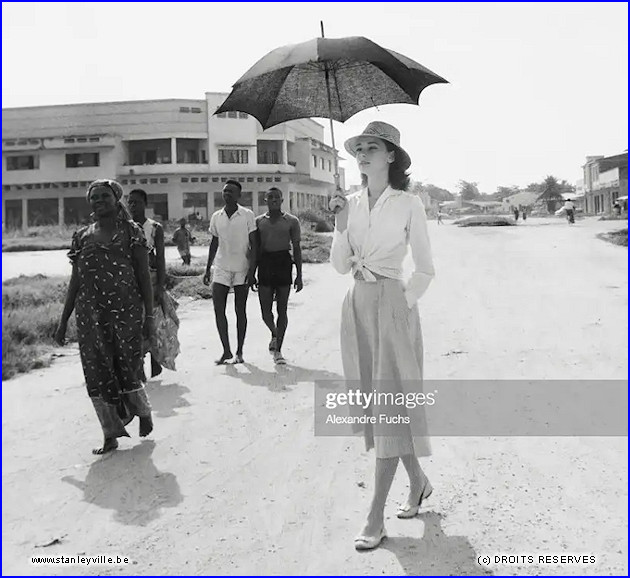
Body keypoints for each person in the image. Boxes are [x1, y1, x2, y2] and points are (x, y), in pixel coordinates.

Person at [329, 122, 435, 551]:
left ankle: (375, 514)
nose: (363, 155)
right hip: (357, 307)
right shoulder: (349, 204)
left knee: (389, 406)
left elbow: (426, 268)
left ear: (391, 156)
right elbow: (339, 267)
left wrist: (402, 303)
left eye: (373, 148)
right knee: (379, 407)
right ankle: (419, 482)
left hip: (391, 305)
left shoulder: (409, 204)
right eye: (358, 149)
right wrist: (338, 225)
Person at [54, 179, 154, 455]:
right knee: (97, 371)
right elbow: (75, 281)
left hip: (126, 312)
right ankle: (110, 434)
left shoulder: (131, 231)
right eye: (94, 197)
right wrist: (64, 321)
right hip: (90, 316)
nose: (99, 201)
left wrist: (149, 316)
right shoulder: (82, 236)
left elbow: (143, 275)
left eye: (104, 196)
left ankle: (142, 411)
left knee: (128, 365)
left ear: (115, 200)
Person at [203, 180, 257, 364]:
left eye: (231, 192)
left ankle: (239, 352)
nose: (227, 194)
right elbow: (214, 242)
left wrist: (252, 270)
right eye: (225, 191)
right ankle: (226, 351)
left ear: (239, 195)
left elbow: (254, 244)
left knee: (240, 311)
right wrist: (207, 268)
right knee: (219, 310)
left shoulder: (247, 215)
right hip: (221, 268)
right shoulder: (216, 216)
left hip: (242, 268)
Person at [128, 189, 180, 378]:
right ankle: (139, 364)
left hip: (150, 280)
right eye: (130, 202)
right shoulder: (125, 227)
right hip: (131, 281)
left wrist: (160, 284)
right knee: (136, 322)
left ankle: (155, 360)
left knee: (155, 322)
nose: (133, 206)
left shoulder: (154, 228)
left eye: (136, 202)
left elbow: (160, 258)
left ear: (145, 204)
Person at [254, 187, 303, 365]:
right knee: (265, 311)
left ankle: (278, 349)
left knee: (282, 309)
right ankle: (274, 332)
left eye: (277, 197)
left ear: (282, 200)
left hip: (283, 263)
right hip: (265, 264)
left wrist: (299, 275)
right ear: (265, 200)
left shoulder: (292, 221)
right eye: (270, 197)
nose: (274, 200)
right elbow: (255, 250)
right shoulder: (258, 222)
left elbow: (296, 248)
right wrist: (252, 273)